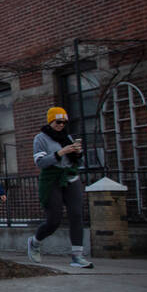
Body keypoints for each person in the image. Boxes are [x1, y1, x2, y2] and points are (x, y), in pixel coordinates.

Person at [28, 107, 92, 268]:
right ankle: (35, 242)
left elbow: (76, 161)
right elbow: (40, 163)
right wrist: (60, 153)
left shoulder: (67, 137)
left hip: (71, 177)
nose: (61, 125)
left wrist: (76, 152)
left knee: (77, 215)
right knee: (54, 220)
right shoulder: (40, 139)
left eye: (64, 122)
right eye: (58, 122)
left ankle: (77, 256)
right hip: (51, 180)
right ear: (50, 121)